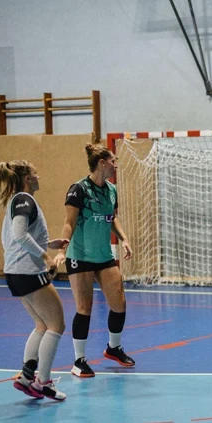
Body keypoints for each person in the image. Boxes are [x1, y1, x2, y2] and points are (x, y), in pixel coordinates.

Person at [53, 143, 135, 378]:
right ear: (102, 163)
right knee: (84, 308)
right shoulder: (78, 190)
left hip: (104, 256)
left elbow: (112, 217)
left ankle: (113, 348)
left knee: (119, 304)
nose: (115, 165)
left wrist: (124, 239)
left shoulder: (111, 189)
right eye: (113, 161)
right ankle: (78, 361)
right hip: (80, 256)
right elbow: (69, 222)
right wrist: (63, 247)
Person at [0, 160, 69, 400]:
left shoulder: (16, 201)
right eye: (35, 173)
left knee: (42, 325)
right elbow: (19, 235)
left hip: (15, 273)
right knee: (56, 325)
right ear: (27, 179)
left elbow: (18, 236)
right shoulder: (24, 199)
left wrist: (49, 243)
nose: (39, 177)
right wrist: (45, 256)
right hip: (28, 272)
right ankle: (43, 382)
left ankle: (27, 377)